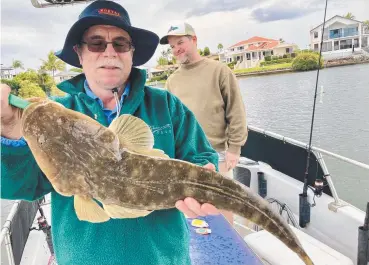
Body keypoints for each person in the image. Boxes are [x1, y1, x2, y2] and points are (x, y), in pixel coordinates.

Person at [0, 1, 221, 264]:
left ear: (131, 53)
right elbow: (21, 185)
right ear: (79, 53)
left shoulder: (165, 106)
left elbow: (202, 156)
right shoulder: (57, 113)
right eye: (96, 43)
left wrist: (202, 175)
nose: (109, 52)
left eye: (120, 43)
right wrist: (12, 134)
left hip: (162, 257)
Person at [160, 23, 248, 225]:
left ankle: (228, 248)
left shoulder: (220, 71)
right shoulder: (171, 81)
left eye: (180, 42)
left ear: (194, 40)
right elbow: (169, 122)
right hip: (186, 158)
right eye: (172, 46)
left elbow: (236, 111)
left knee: (223, 208)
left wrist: (234, 148)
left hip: (218, 153)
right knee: (192, 211)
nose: (176, 49)